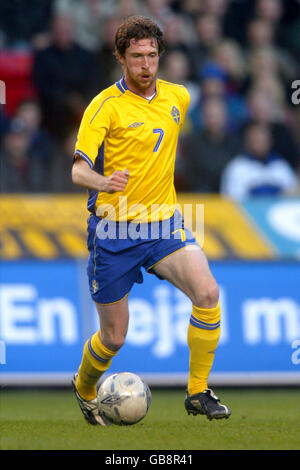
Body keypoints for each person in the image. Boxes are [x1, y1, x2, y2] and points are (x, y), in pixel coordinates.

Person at [71, 15, 231, 426]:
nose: (146, 64)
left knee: (208, 293)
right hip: (113, 232)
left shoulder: (178, 98)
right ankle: (85, 387)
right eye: (137, 56)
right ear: (121, 58)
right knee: (113, 338)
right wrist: (104, 181)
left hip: (163, 225)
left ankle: (197, 391)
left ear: (161, 56)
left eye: (152, 56)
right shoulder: (104, 106)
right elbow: (77, 171)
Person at [221, 122, 299, 199]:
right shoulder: (237, 168)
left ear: (270, 141)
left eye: (263, 138)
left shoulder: (281, 166)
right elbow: (233, 201)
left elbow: (293, 196)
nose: (260, 141)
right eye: (256, 138)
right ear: (247, 141)